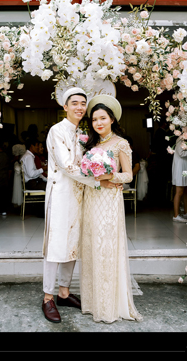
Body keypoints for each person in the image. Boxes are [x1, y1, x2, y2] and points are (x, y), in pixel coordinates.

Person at [41, 87, 119, 323]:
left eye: (83, 103)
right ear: (65, 107)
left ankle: (64, 293)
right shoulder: (57, 131)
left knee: (72, 244)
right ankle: (48, 297)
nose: (79, 107)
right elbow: (67, 166)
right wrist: (98, 181)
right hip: (60, 195)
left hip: (79, 195)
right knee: (55, 245)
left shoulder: (82, 134)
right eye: (74, 103)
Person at [80, 94, 143, 323]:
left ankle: (109, 306)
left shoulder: (120, 143)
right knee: (91, 247)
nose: (98, 123)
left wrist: (108, 175)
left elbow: (128, 175)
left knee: (106, 247)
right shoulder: (91, 144)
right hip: (91, 199)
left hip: (108, 201)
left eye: (102, 118)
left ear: (112, 119)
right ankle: (93, 303)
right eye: (94, 119)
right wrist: (95, 177)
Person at [172, 135, 187, 222]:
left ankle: (186, 212)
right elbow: (181, 153)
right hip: (180, 167)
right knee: (179, 191)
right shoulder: (180, 139)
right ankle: (176, 215)